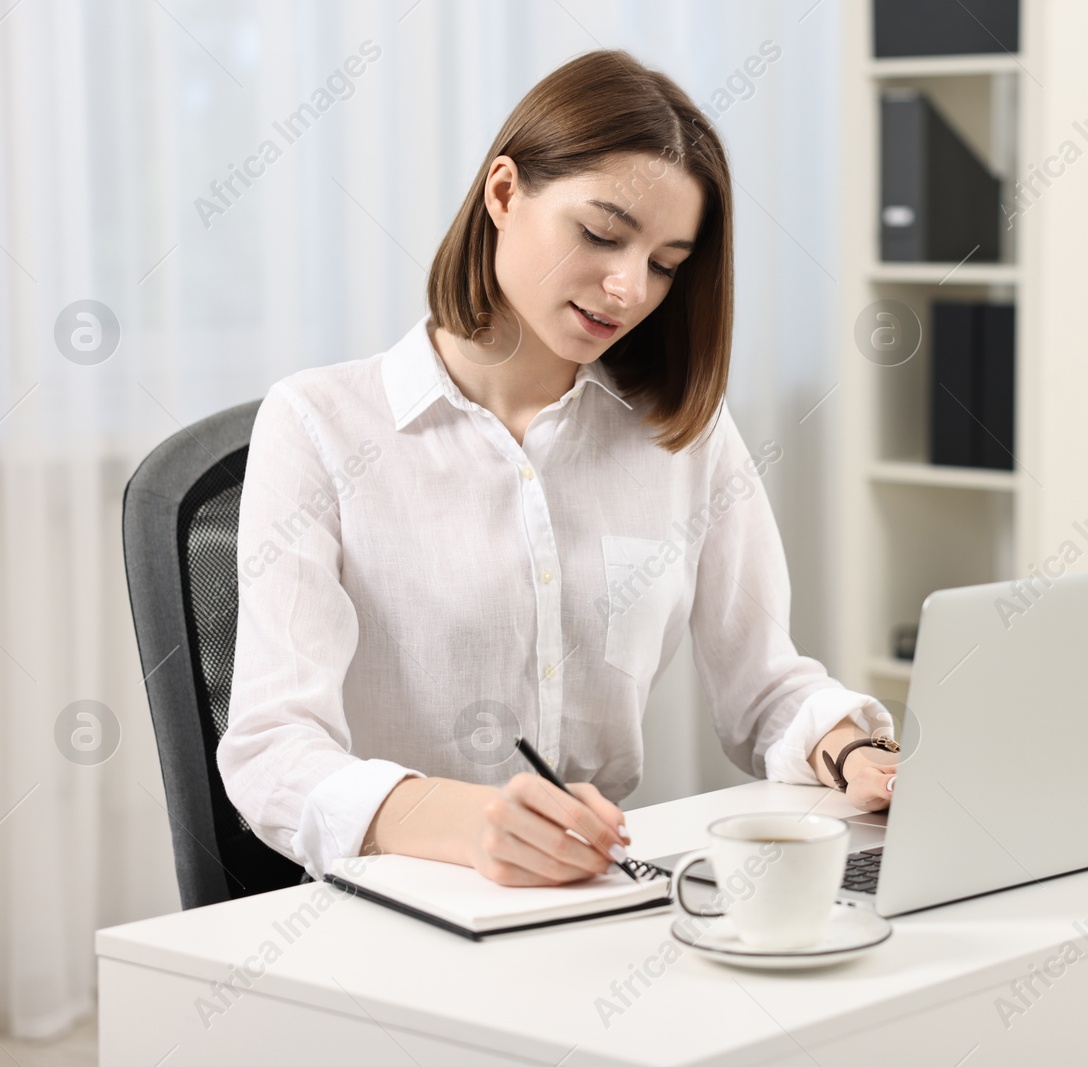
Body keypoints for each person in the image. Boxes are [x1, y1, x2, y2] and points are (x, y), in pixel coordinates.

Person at [217, 50, 896, 889]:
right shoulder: (319, 424)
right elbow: (271, 746)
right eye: (602, 233)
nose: (627, 287)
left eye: (664, 264)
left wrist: (851, 749)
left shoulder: (680, 435)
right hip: (402, 901)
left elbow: (765, 685)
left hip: (596, 896)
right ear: (503, 193)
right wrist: (464, 822)